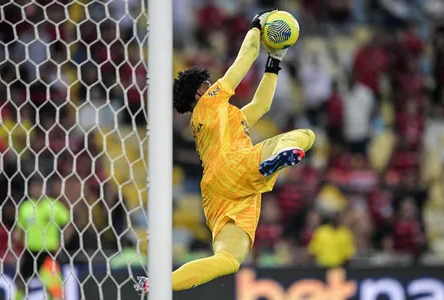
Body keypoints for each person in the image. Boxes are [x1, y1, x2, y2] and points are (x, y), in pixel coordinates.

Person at [135, 9, 315, 293]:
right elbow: (245, 58)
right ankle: (270, 163)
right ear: (199, 92)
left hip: (220, 191)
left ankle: (158, 285)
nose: (212, 84)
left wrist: (275, 62)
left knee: (229, 260)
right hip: (235, 166)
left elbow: (261, 106)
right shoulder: (209, 102)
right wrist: (256, 26)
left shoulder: (221, 120)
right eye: (206, 83)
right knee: (305, 134)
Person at [16, 179, 70, 300]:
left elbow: (68, 224)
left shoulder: (54, 206)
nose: (36, 190)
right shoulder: (25, 207)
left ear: (45, 189)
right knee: (22, 283)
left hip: (50, 252)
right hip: (30, 251)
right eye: (34, 188)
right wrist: (17, 241)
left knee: (54, 286)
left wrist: (62, 243)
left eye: (39, 187)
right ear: (29, 190)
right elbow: (18, 231)